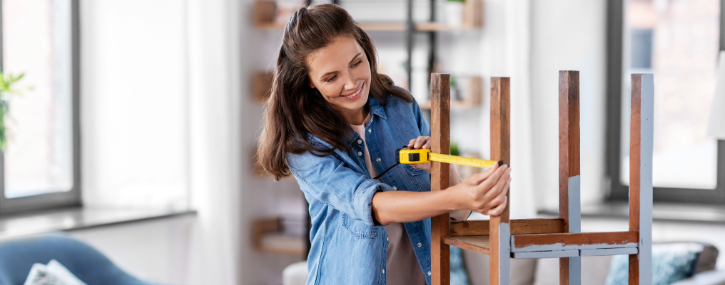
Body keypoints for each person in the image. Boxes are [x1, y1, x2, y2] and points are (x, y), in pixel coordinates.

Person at [257, 4, 511, 285]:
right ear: (309, 82)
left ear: (366, 50)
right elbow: (372, 206)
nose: (352, 83)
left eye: (356, 62)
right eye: (331, 77)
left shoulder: (401, 106)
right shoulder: (302, 143)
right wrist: (459, 196)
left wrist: (444, 172)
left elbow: (458, 213)